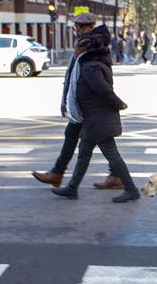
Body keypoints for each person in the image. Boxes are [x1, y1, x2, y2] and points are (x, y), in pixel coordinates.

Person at [50, 19, 139, 203]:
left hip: (99, 119)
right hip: (92, 118)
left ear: (84, 50)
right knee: (84, 152)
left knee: (112, 155)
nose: (75, 52)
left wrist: (119, 104)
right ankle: (72, 189)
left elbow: (104, 91)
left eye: (77, 49)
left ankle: (131, 190)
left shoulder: (90, 67)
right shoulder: (89, 64)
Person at [32, 13, 122, 190]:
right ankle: (60, 174)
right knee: (81, 138)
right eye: (76, 27)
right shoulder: (86, 42)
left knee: (101, 143)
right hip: (82, 102)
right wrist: (65, 98)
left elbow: (91, 74)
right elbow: (72, 73)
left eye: (78, 27)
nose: (76, 30)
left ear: (88, 26)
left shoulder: (92, 43)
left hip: (89, 103)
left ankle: (62, 177)